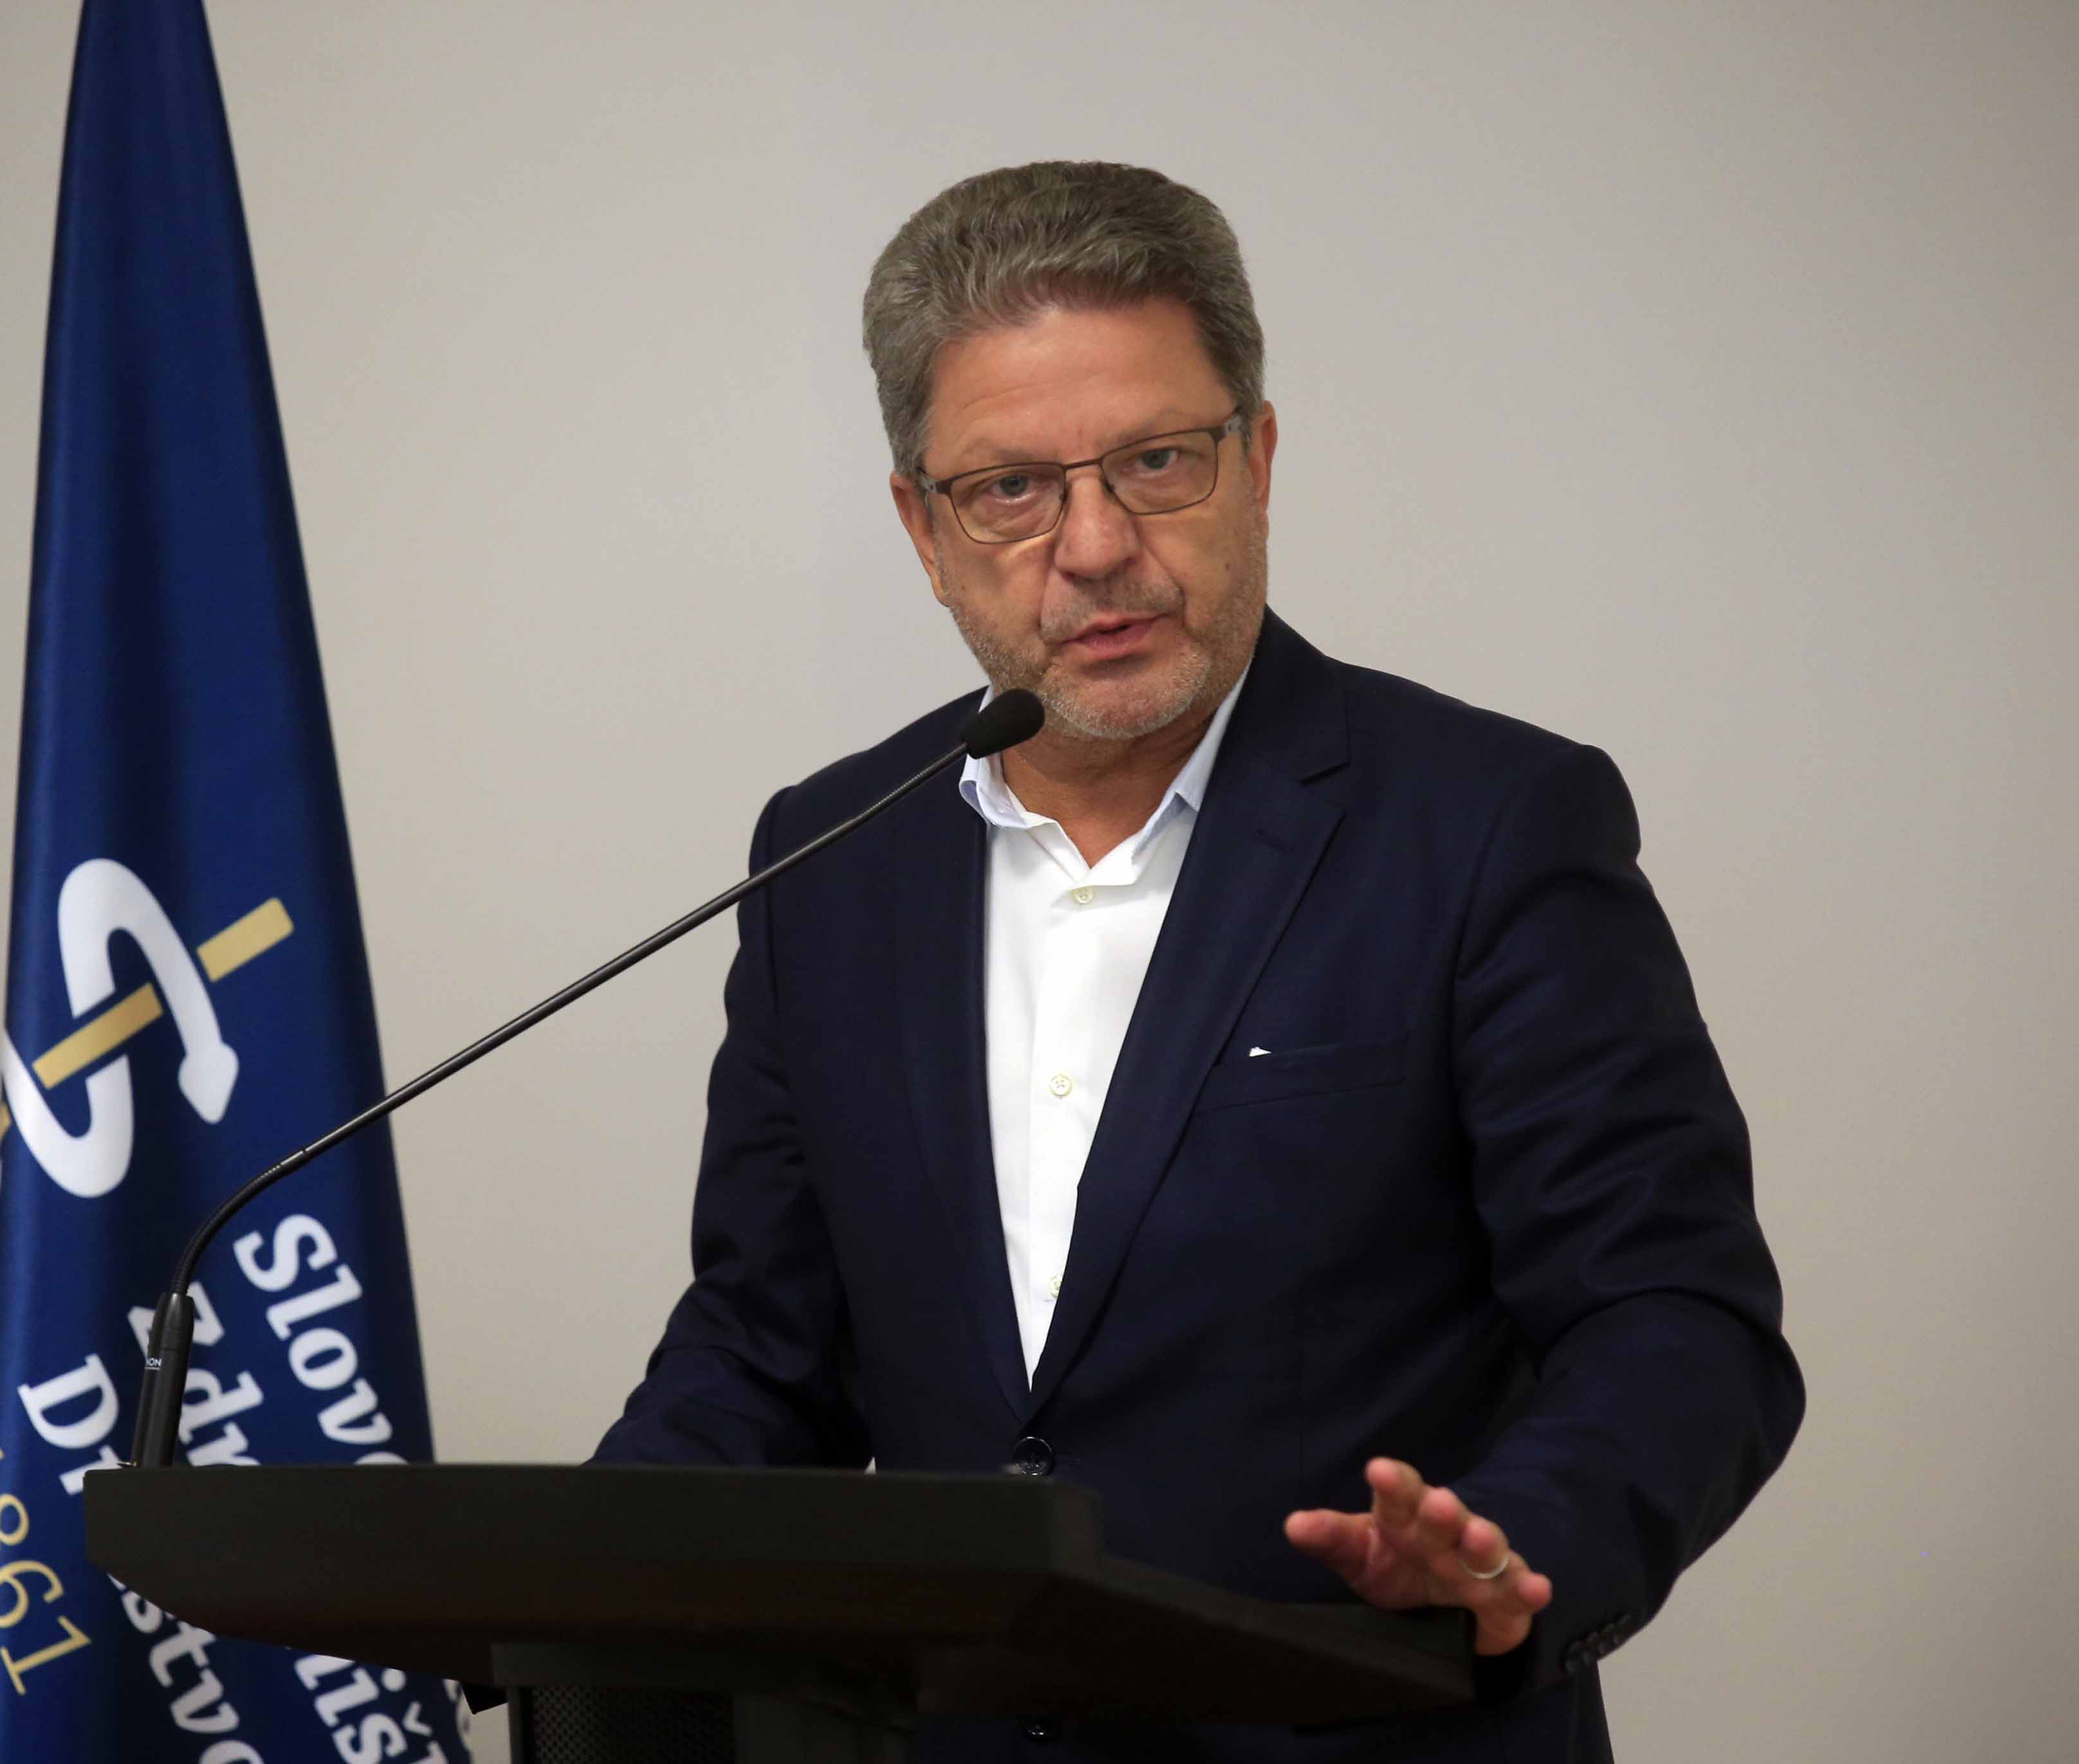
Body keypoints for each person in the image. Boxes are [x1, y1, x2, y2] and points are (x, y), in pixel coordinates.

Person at [595, 160, 1803, 1763]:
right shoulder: (832, 856)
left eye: (1155, 462)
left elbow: (1672, 1315)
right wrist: (573, 1570)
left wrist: (1510, 1548)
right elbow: (764, 1352)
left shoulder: (1487, 824)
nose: (1095, 545)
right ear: (923, 529)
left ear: (1257, 461)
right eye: (1009, 489)